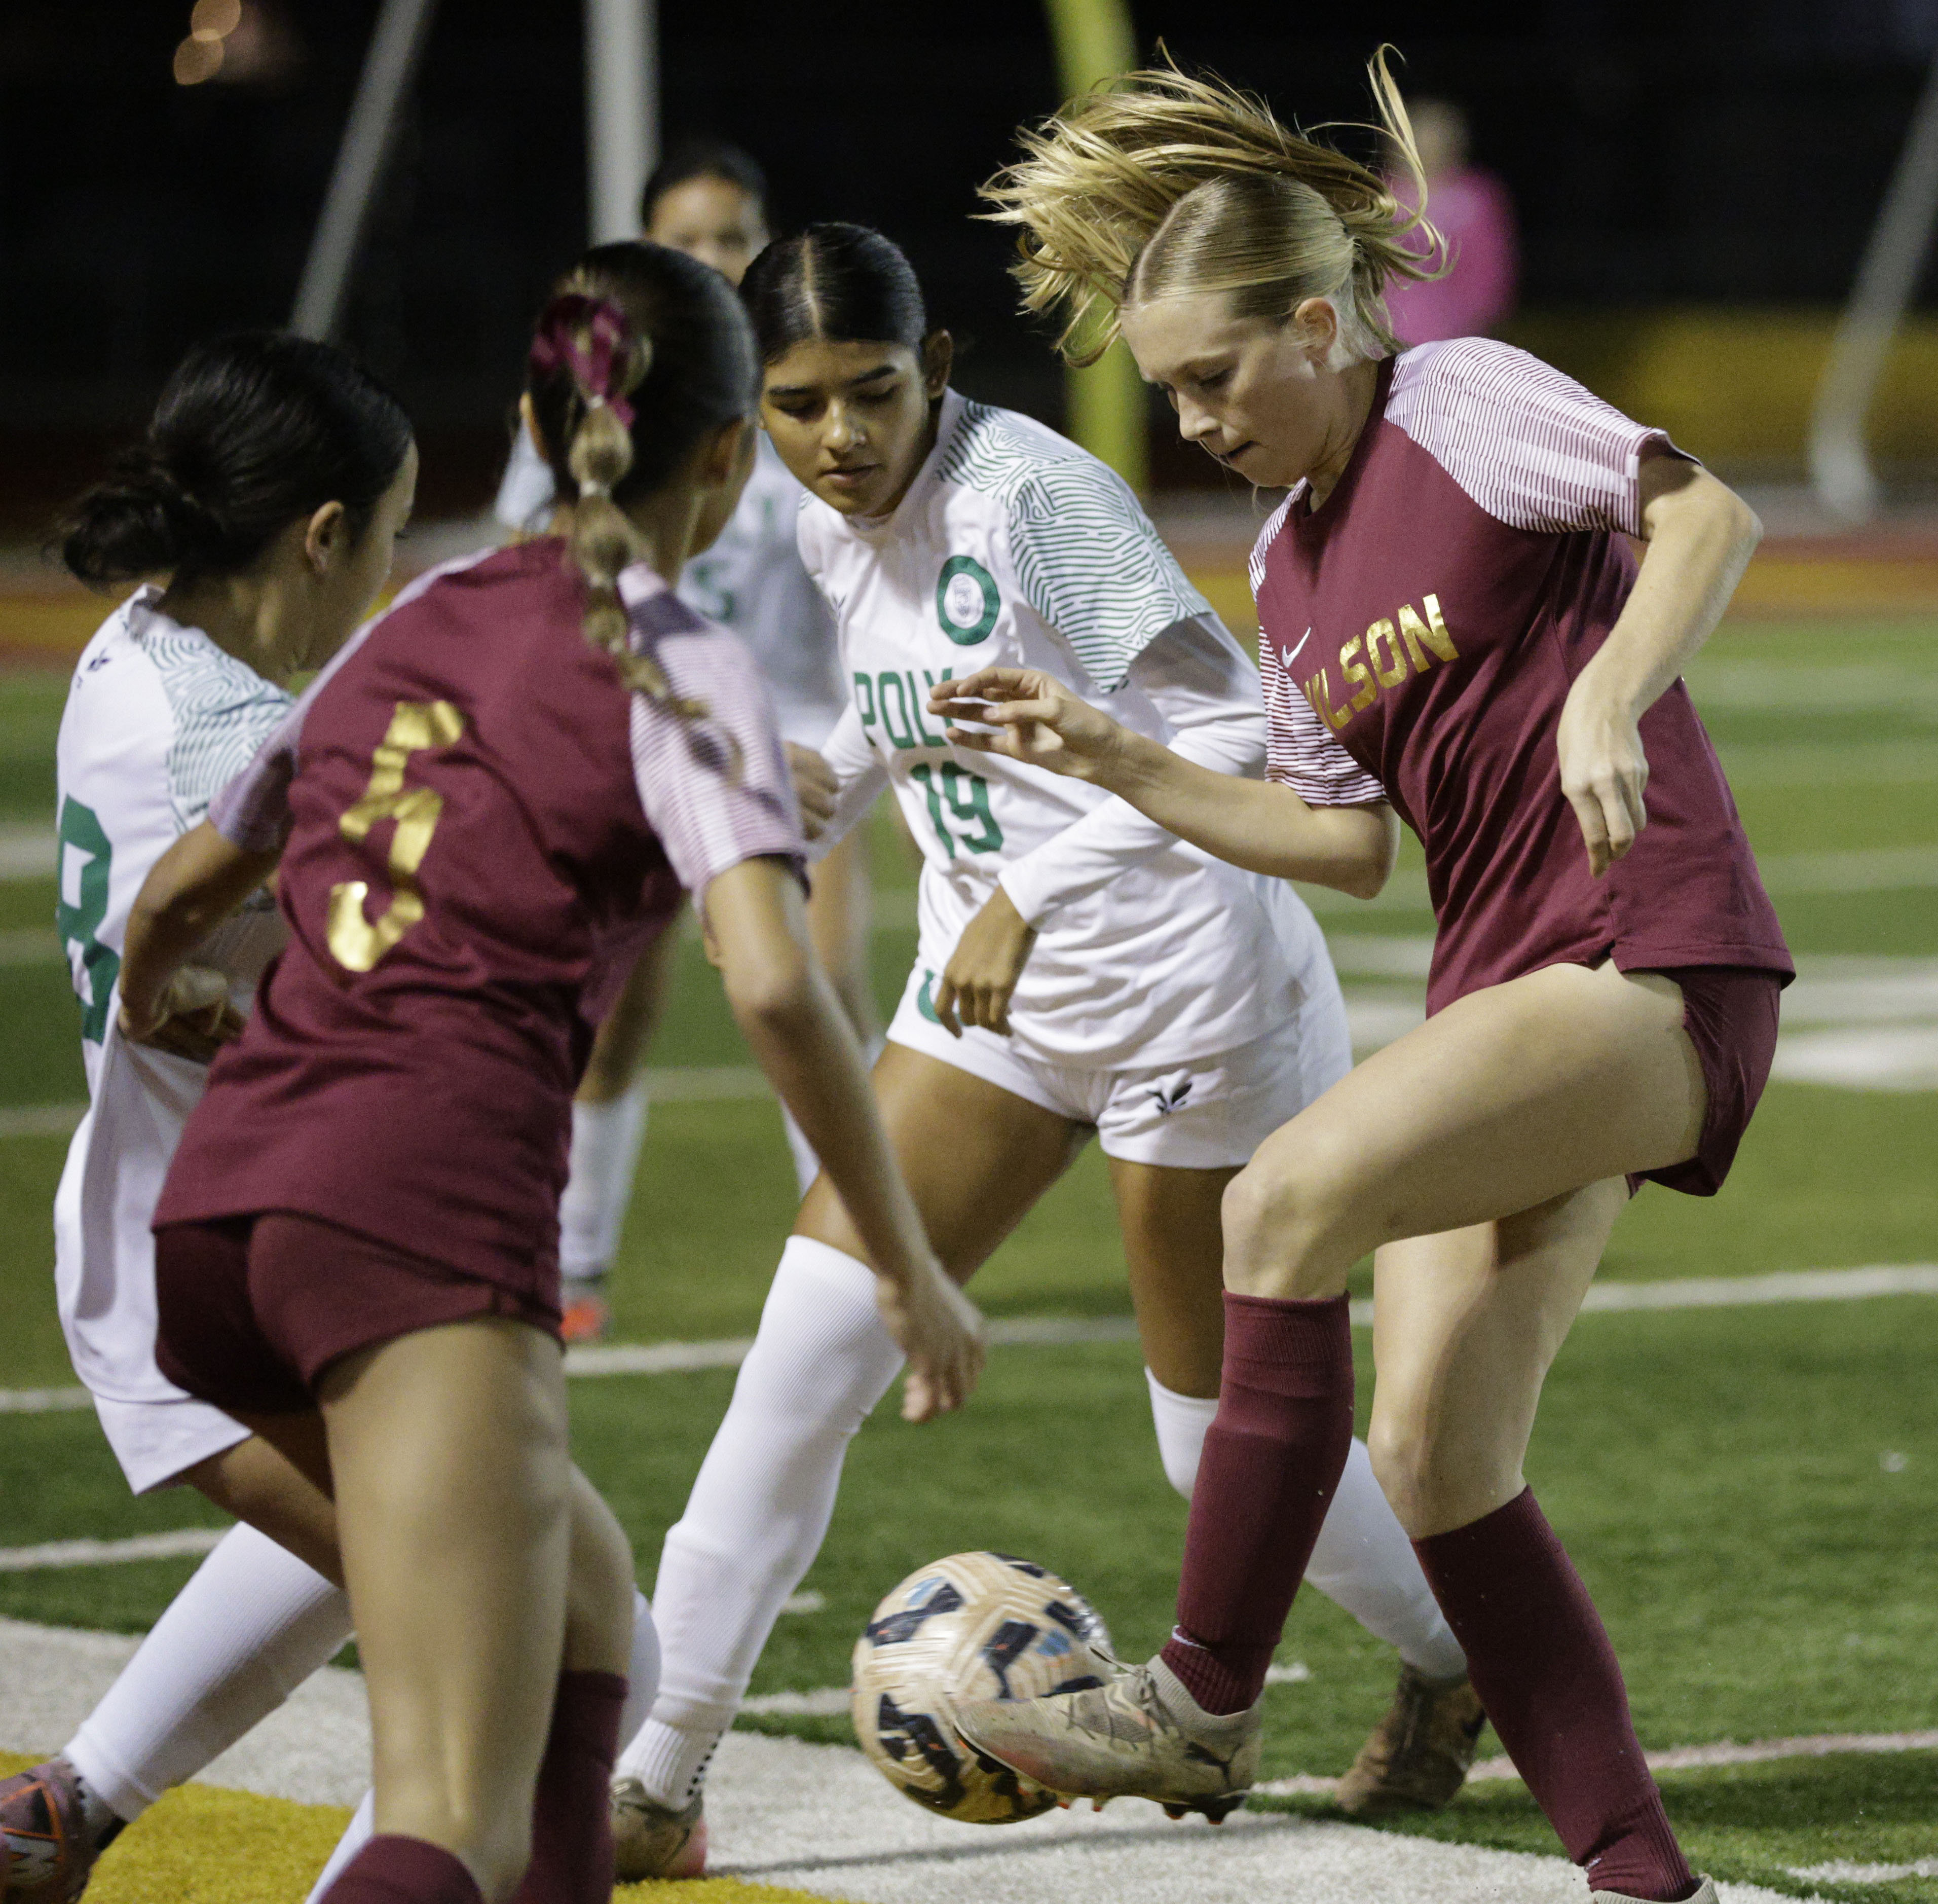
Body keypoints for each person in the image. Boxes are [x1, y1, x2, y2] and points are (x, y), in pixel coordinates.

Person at [948, 52, 1785, 1904]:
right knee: (1431, 1457)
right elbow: (1340, 844)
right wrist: (1113, 755)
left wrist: (1605, 691)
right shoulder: (1284, 561)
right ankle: (1638, 1870)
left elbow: (1703, 515)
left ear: (1319, 327)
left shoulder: (1457, 401)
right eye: (1168, 392)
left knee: (1280, 1197)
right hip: (1508, 991)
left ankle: (1199, 1697)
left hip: (1649, 950)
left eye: (1212, 378)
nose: (1192, 421)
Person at [606, 222, 1483, 1878]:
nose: (839, 435)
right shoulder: (821, 521)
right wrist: (799, 802)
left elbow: (1232, 731)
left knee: (1203, 1439)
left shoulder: (1029, 499)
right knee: (797, 1368)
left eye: (873, 392)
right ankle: (657, 1780)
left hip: (1189, 996)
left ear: (935, 368)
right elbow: (899, 721)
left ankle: (1455, 1656)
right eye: (799, 403)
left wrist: (1028, 889)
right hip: (992, 1006)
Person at [123, 242, 981, 1904]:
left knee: (593, 1620)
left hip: (221, 1219)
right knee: (453, 1810)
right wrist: (903, 1256)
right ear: (727, 453)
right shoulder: (680, 657)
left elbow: (183, 888)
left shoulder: (416, 611)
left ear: (535, 423)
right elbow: (776, 984)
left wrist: (165, 991)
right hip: (412, 1218)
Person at [2, 334, 415, 1904]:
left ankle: (59, 1819)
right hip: (223, 1273)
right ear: (321, 534)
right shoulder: (238, 749)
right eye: (386, 536)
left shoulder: (136, 642)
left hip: (194, 1237)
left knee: (403, 1550)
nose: (387, 575)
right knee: (547, 1642)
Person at [495, 139, 872, 1342]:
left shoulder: (810, 379)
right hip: (644, 727)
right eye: (687, 236)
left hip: (798, 742)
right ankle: (576, 1261)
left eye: (731, 234)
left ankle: (851, 1267)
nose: (711, 254)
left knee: (817, 991)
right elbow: (535, 560)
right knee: (615, 1011)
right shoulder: (603, 386)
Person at [1381, 96, 1516, 344]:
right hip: (1381, 333)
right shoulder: (1376, 196)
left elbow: (1490, 269)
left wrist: (1476, 325)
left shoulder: (1475, 199)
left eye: (1433, 140)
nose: (1424, 150)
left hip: (1455, 334)